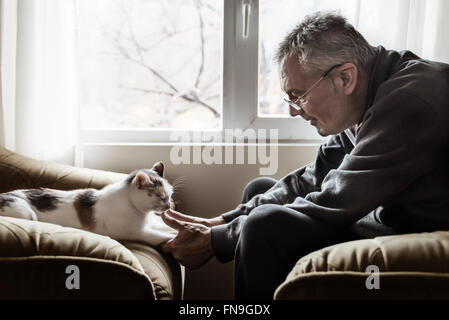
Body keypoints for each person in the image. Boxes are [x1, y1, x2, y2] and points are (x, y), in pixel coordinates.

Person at [160, 11, 449, 299]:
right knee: (260, 190)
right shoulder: (366, 93)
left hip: (420, 226)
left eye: (298, 95)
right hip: (385, 213)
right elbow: (312, 178)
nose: (293, 110)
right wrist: (221, 222)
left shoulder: (409, 101)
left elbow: (339, 199)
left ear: (344, 78)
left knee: (264, 224)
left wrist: (215, 241)